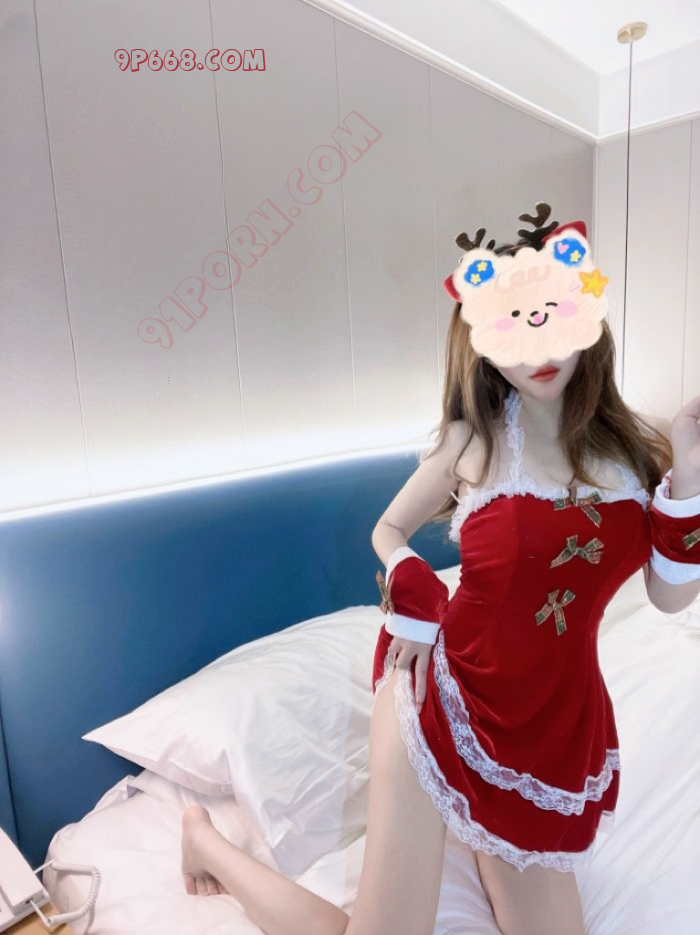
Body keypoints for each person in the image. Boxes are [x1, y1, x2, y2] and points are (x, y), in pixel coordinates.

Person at [179, 204, 700, 935]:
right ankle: (204, 843)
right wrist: (412, 584)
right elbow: (388, 528)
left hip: (552, 726)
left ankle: (483, 833)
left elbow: (670, 598)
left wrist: (688, 472)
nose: (540, 349)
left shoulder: (634, 455)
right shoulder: (471, 443)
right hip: (444, 694)